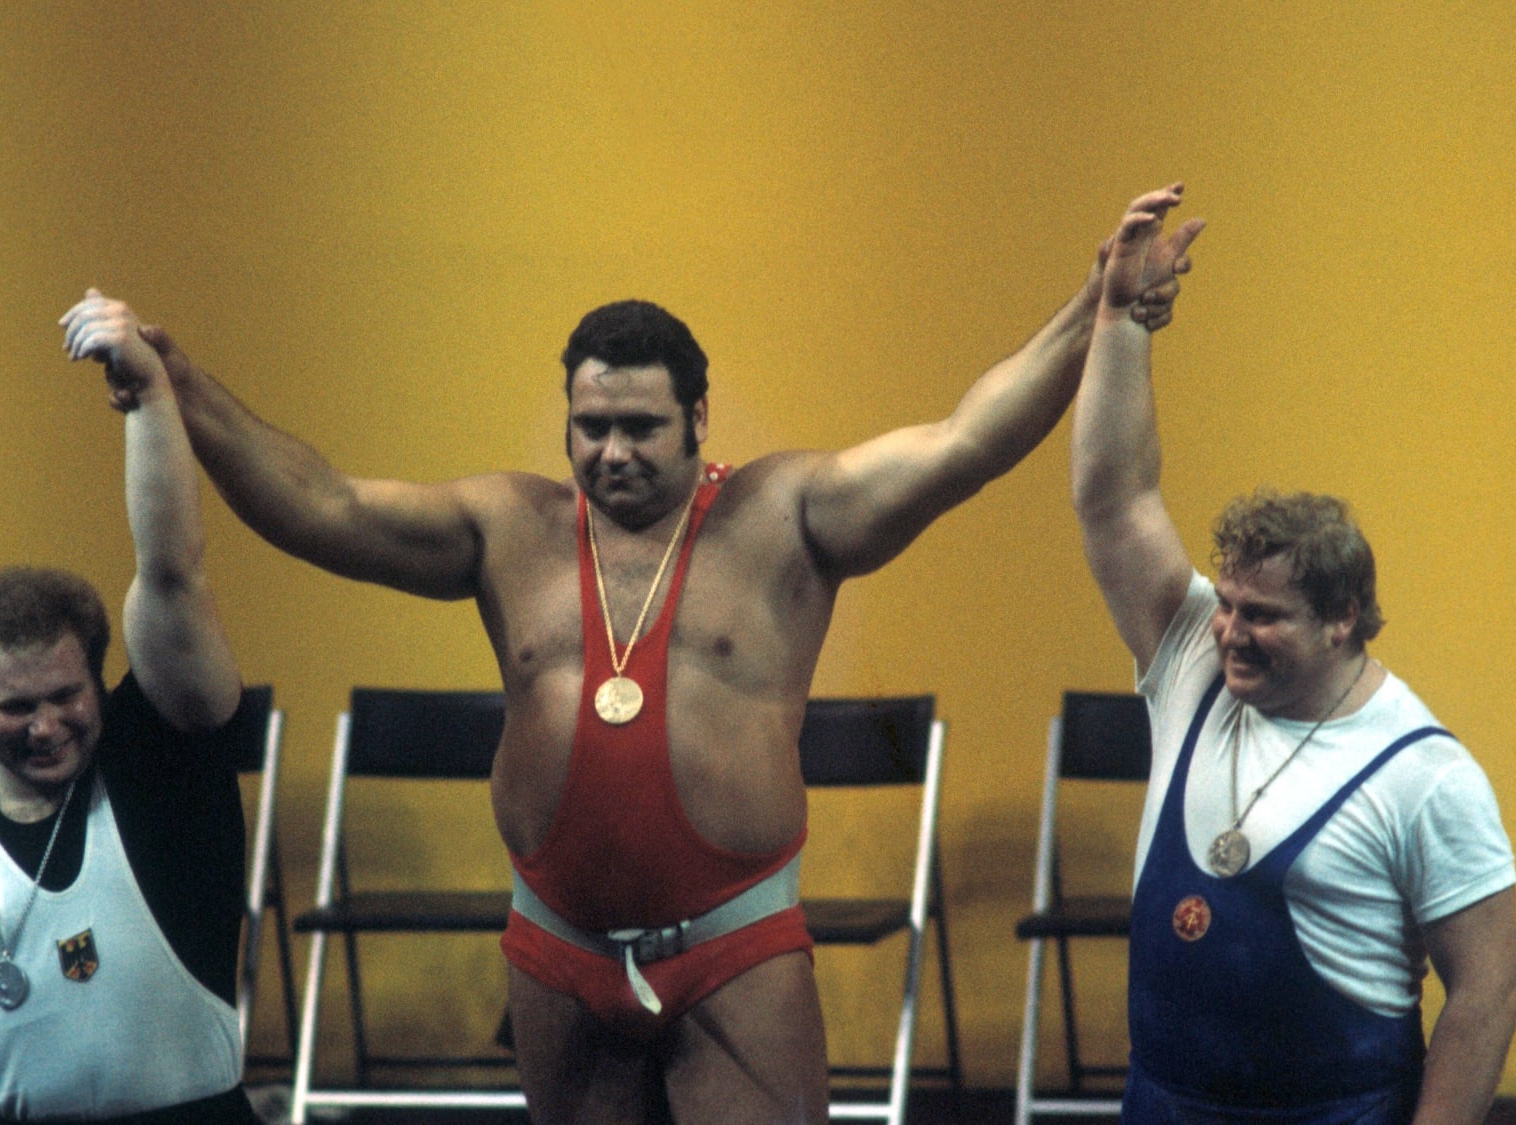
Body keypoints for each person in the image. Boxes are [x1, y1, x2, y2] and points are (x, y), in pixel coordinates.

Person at [63, 186, 1189, 1123]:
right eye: (589, 426)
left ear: (698, 417)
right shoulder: (504, 528)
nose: (610, 452)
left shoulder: (785, 515)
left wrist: (1095, 306)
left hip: (732, 949)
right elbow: (320, 505)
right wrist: (176, 377)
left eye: (639, 427)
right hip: (556, 947)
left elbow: (966, 440)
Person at [1072, 193, 1516, 1123]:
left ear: (1342, 619)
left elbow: (1486, 995)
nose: (1228, 631)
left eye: (1263, 615)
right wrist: (1120, 322)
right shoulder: (1193, 662)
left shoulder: (1427, 777)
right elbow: (1116, 500)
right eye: (1226, 603)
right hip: (1162, 1104)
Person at [0, 305, 265, 1122]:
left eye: (67, 696)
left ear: (102, 682)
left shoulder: (165, 765)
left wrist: (146, 395)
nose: (46, 725)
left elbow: (173, 571)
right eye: (16, 705)